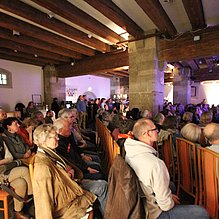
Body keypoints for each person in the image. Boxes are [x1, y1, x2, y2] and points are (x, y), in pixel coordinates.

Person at [124, 118, 209, 219]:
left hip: (141, 200)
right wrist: (169, 200)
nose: (158, 131)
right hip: (153, 213)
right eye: (155, 129)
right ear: (147, 134)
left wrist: (167, 197)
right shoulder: (155, 164)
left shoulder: (130, 149)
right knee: (202, 212)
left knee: (171, 186)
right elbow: (166, 206)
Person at [32, 124, 96, 219]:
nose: (58, 138)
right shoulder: (42, 166)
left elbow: (63, 167)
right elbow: (43, 199)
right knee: (101, 187)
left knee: (100, 187)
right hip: (65, 204)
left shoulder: (50, 152)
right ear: (44, 141)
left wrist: (68, 172)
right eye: (55, 137)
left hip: (69, 192)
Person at [0, 134, 33, 219]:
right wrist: (4, 161)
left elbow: (10, 158)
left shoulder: (1, 140)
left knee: (20, 183)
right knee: (24, 170)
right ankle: (32, 200)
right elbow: (8, 159)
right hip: (1, 175)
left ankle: (18, 212)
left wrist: (2, 162)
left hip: (4, 172)